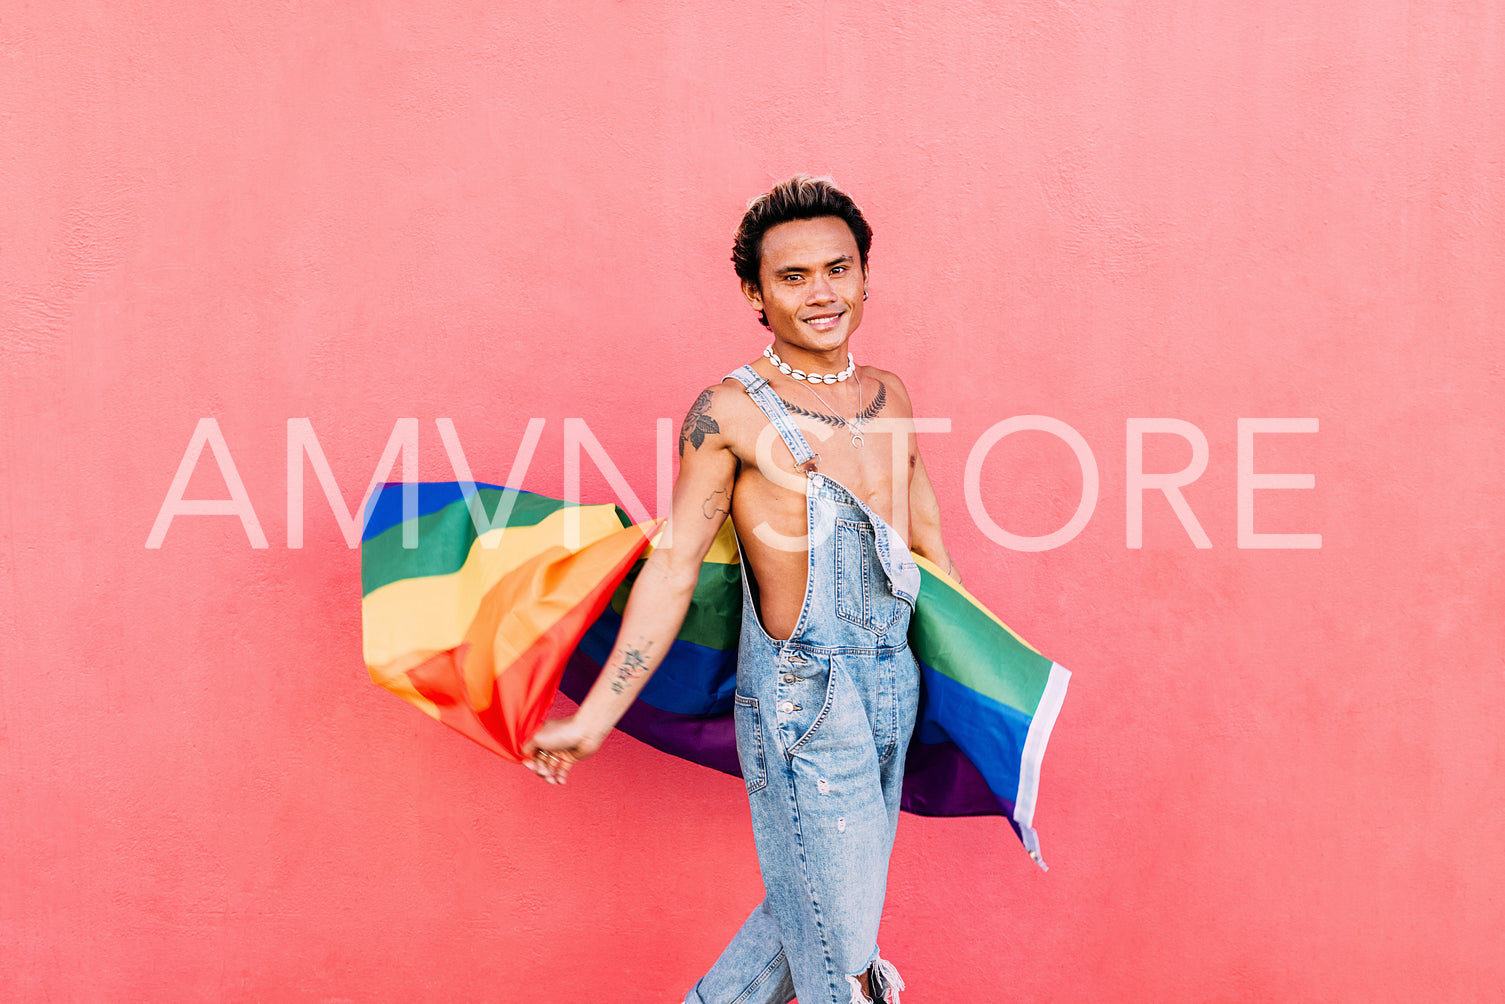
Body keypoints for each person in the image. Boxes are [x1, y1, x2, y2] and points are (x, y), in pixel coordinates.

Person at [524, 176, 960, 1004]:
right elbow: (675, 560)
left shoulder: (890, 395)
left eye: (838, 269)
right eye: (792, 278)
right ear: (754, 294)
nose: (821, 293)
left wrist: (971, 692)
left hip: (890, 684)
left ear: (865, 275)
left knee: (819, 917)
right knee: (846, 963)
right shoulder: (727, 412)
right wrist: (595, 716)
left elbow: (928, 545)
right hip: (807, 697)